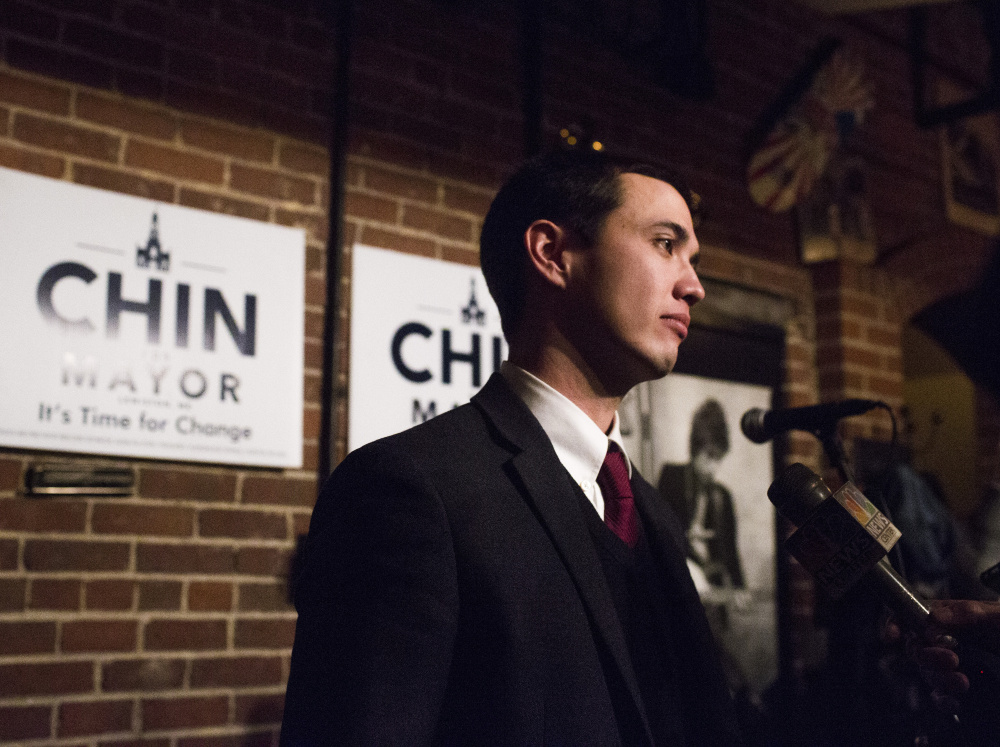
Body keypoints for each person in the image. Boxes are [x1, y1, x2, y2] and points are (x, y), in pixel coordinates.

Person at [280, 150, 744, 745]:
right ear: (553, 255)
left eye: (693, 258)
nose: (694, 285)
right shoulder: (410, 490)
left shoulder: (648, 510)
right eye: (664, 244)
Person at [658, 398, 744, 597]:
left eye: (719, 459)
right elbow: (660, 536)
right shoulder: (671, 477)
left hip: (713, 590)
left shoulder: (723, 495)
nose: (714, 467)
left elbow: (731, 550)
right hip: (678, 584)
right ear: (695, 450)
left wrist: (740, 587)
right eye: (709, 456)